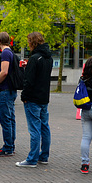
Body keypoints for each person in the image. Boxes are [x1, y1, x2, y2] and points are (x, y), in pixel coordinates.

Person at [16, 32, 53, 168]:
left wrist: (24, 96)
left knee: (34, 129)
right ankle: (44, 156)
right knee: (44, 127)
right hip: (44, 97)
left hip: (33, 98)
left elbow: (29, 81)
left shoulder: (34, 58)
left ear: (32, 42)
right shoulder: (48, 58)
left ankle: (32, 159)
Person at [0, 31, 17, 157]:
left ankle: (8, 147)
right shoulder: (11, 52)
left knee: (6, 119)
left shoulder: (6, 53)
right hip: (11, 89)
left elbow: (4, 72)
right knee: (11, 118)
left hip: (6, 90)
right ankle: (11, 145)